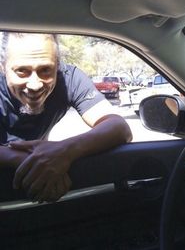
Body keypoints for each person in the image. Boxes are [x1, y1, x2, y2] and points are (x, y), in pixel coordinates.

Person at [0, 32, 132, 203]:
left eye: (45, 70)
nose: (35, 85)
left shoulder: (69, 79)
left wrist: (65, 150)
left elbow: (119, 127)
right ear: (3, 66)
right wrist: (26, 160)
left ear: (57, 65)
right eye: (22, 71)